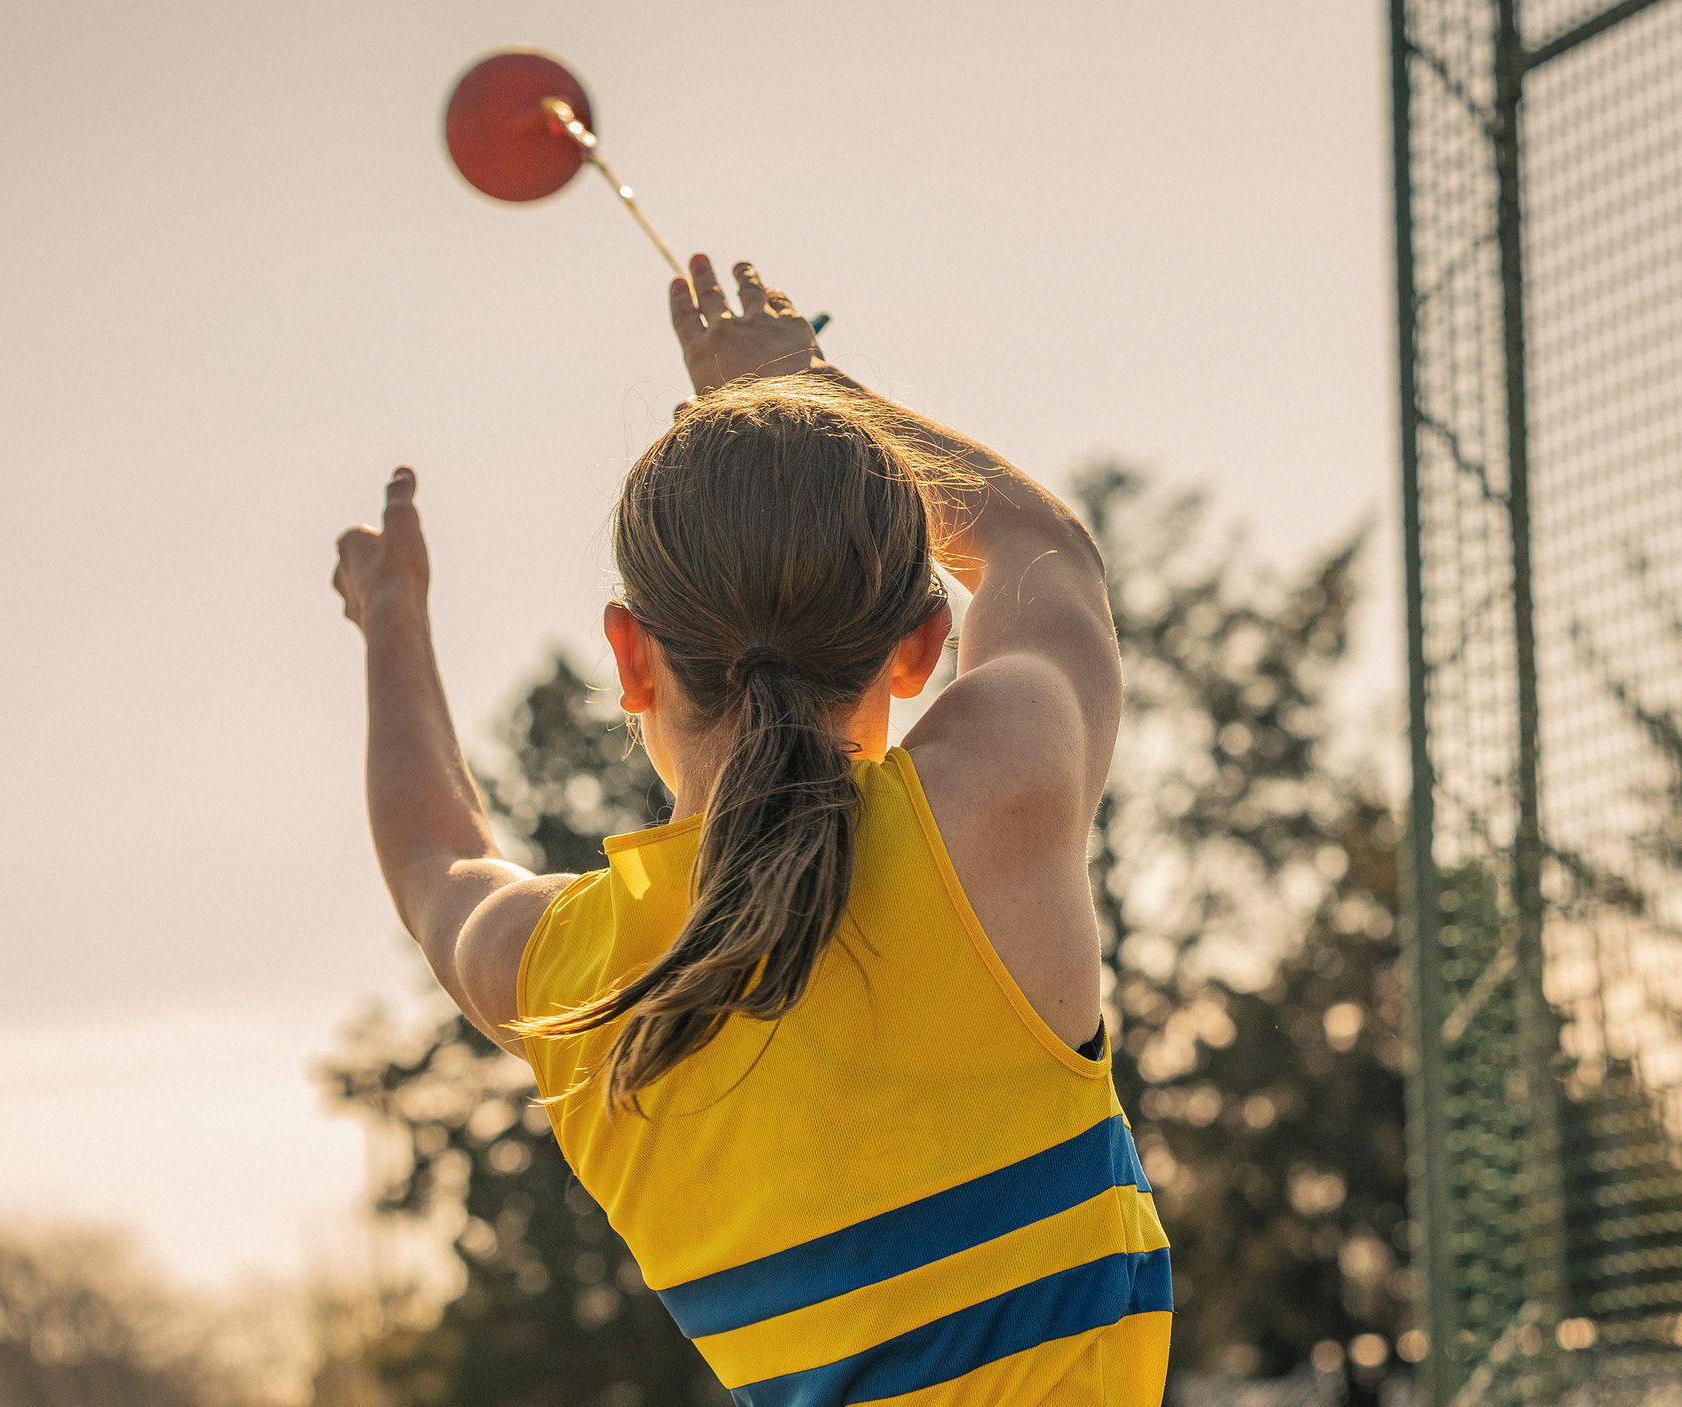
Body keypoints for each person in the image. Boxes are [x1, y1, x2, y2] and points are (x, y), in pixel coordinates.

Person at [331, 256, 1168, 1406]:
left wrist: (392, 620)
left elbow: (434, 859)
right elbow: (1044, 553)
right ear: (922, 648)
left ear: (630, 659)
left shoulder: (571, 984)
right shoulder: (992, 804)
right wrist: (811, 386)